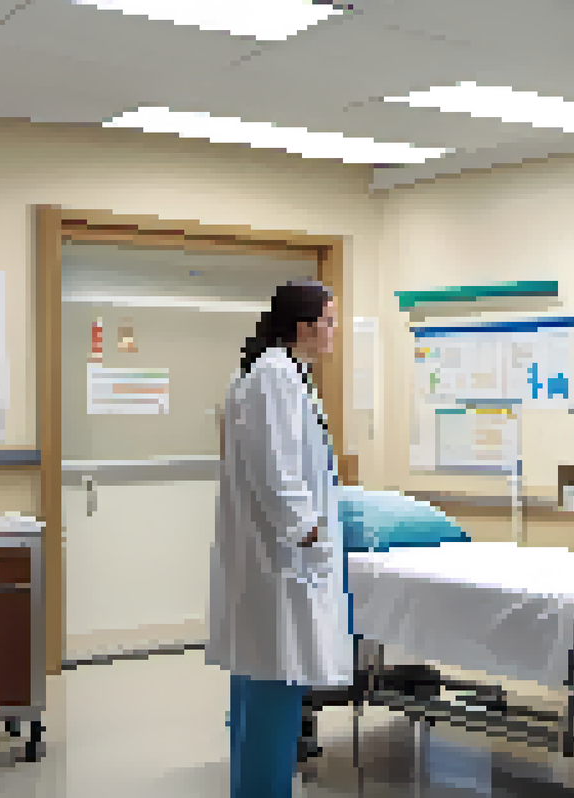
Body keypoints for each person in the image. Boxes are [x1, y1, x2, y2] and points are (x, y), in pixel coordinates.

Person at [207, 281, 352, 798]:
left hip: (273, 561)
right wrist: (308, 530)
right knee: (274, 682)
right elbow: (279, 469)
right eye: (330, 321)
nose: (335, 332)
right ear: (304, 325)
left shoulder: (278, 374)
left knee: (259, 683)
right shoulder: (274, 377)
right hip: (281, 561)